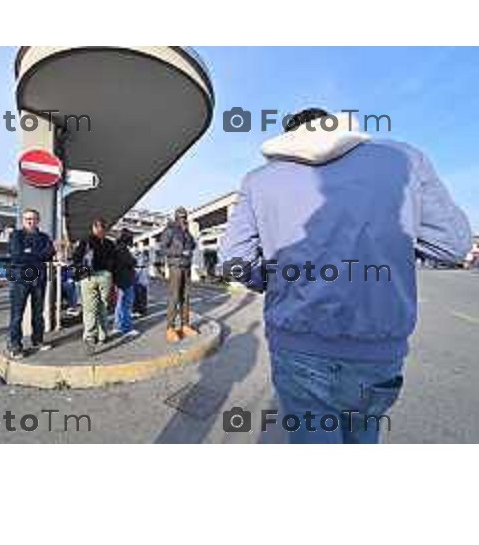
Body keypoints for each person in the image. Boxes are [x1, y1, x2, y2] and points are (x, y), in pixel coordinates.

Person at [220, 108, 472, 444]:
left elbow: (233, 262)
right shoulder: (405, 159)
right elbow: (453, 246)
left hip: (298, 347)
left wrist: (271, 280)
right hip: (378, 353)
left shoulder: (259, 180)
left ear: (288, 137)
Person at [7, 208, 56, 359]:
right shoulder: (16, 235)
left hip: (39, 280)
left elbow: (50, 254)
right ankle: (15, 345)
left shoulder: (44, 237)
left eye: (33, 219)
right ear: (23, 220)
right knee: (17, 315)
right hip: (20, 280)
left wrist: (28, 253)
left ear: (38, 220)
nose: (30, 221)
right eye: (27, 219)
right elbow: (16, 256)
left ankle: (38, 340)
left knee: (38, 313)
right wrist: (38, 255)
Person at [72, 218, 116, 355]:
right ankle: (98, 335)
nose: (100, 230)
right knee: (98, 306)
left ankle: (94, 335)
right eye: (99, 228)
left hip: (93, 277)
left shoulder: (86, 241)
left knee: (94, 307)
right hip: (96, 276)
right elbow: (76, 258)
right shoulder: (106, 243)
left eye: (102, 228)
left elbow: (76, 258)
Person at [160, 206, 198, 343]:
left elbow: (193, 245)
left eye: (185, 217)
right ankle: (170, 328)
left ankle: (185, 325)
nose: (184, 219)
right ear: (176, 217)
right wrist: (180, 252)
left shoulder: (186, 231)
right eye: (181, 217)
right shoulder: (169, 230)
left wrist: (187, 232)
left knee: (186, 297)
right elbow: (162, 249)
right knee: (174, 297)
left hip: (186, 266)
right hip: (175, 267)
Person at [112, 229, 139, 337]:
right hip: (125, 280)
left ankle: (118, 326)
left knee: (120, 304)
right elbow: (131, 262)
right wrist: (134, 259)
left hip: (119, 280)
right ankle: (126, 328)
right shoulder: (122, 249)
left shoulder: (116, 248)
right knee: (126, 304)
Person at [133, 248, 149, 316]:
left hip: (141, 273)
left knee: (141, 292)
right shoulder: (142, 256)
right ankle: (138, 309)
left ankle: (142, 310)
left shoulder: (144, 256)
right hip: (138, 272)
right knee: (137, 293)